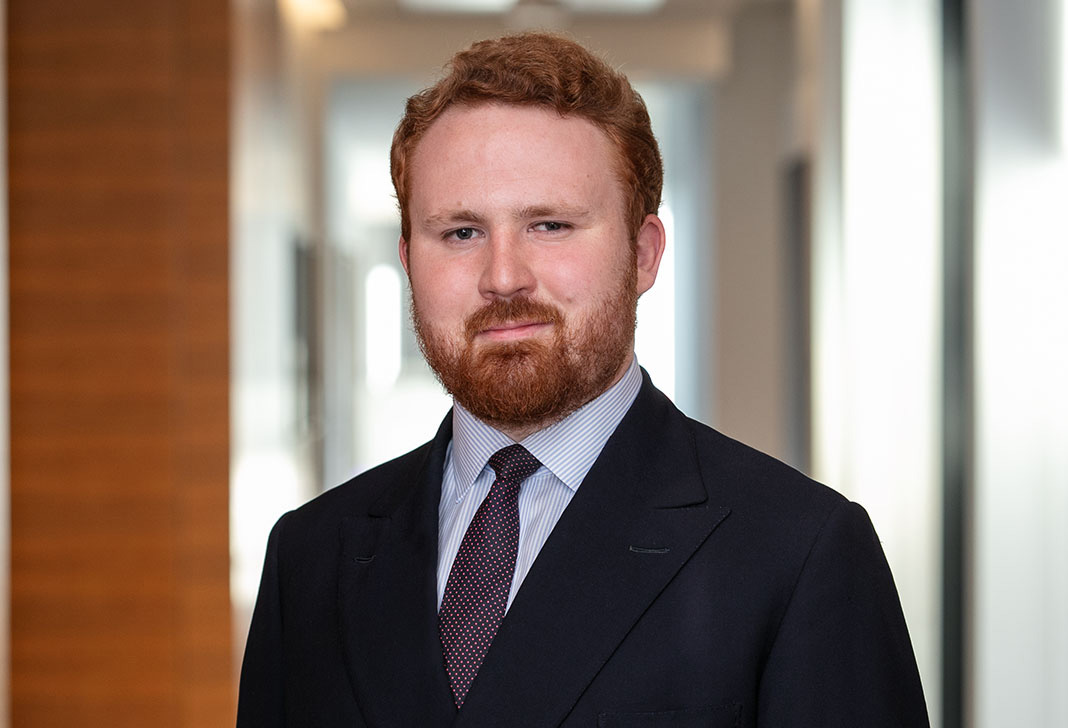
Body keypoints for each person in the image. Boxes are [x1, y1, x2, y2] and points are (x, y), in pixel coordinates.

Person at [237, 32, 930, 727]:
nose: (503, 277)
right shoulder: (310, 557)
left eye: (550, 225)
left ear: (644, 254)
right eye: (461, 233)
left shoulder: (798, 553)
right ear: (408, 260)